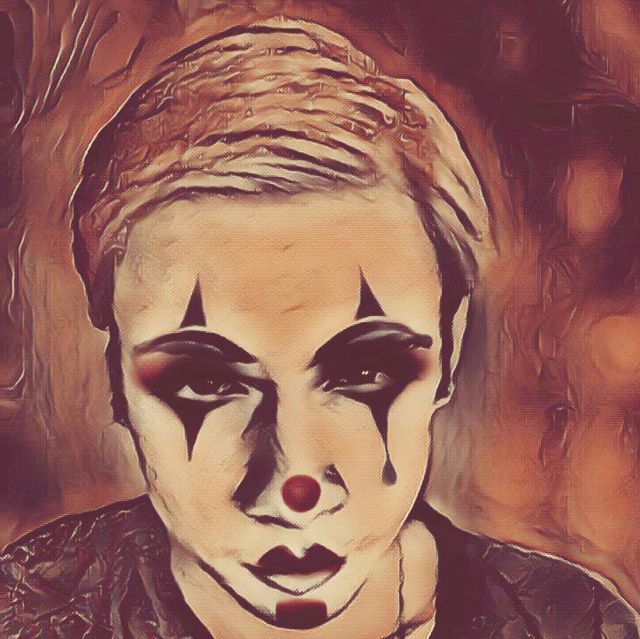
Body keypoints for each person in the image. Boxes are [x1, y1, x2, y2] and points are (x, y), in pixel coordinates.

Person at [0, 17, 637, 639]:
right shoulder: (25, 613)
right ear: (116, 377)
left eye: (365, 372)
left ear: (450, 348)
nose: (292, 484)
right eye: (204, 382)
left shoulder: (571, 624)